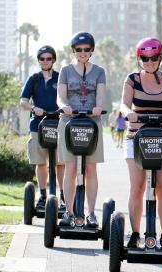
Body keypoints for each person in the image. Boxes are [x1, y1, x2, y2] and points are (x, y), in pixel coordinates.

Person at [120, 37, 162, 249]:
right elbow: (124, 104)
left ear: (160, 57)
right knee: (137, 187)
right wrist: (129, 113)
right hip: (136, 139)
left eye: (154, 58)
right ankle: (135, 233)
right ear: (140, 59)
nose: (150, 62)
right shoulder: (132, 79)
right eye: (145, 59)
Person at [56, 32, 106, 228]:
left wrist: (98, 107)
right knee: (71, 168)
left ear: (91, 50)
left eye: (87, 49)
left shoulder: (99, 71)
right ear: (74, 51)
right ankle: (69, 212)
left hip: (92, 124)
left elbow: (100, 95)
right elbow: (60, 96)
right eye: (79, 49)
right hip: (69, 122)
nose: (83, 52)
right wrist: (64, 105)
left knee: (91, 169)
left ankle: (91, 213)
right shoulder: (66, 70)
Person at [19, 45, 65, 209]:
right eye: (42, 58)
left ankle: (63, 197)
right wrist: (33, 108)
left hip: (58, 125)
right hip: (38, 126)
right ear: (38, 60)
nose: (45, 61)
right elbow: (23, 101)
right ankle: (43, 195)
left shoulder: (60, 78)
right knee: (41, 162)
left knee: (60, 163)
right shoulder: (34, 78)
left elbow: (67, 98)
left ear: (53, 60)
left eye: (48, 58)